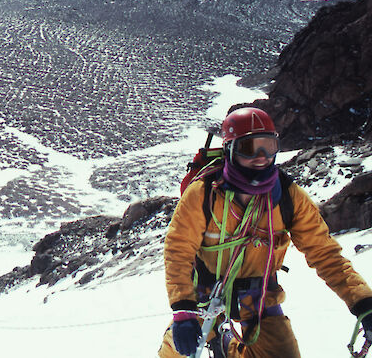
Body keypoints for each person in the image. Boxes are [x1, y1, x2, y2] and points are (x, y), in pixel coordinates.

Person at [158, 107, 372, 357]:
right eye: (250, 148)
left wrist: (363, 303)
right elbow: (178, 251)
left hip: (258, 296)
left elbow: (325, 253)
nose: (261, 157)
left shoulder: (288, 197)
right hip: (204, 293)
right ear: (230, 149)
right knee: (178, 351)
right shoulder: (203, 193)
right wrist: (183, 310)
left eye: (268, 147)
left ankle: (229, 347)